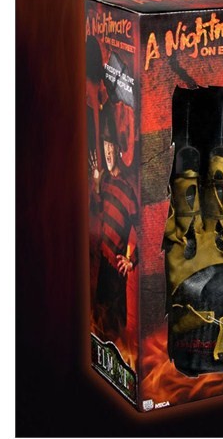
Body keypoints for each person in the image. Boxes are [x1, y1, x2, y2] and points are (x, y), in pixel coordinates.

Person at [90, 104, 138, 334]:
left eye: (111, 147)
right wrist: (97, 187)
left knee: (116, 328)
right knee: (100, 322)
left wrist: (131, 260)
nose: (107, 153)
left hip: (116, 272)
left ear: (119, 150)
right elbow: (101, 214)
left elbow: (145, 232)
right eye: (105, 146)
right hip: (102, 263)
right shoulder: (106, 181)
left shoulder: (128, 190)